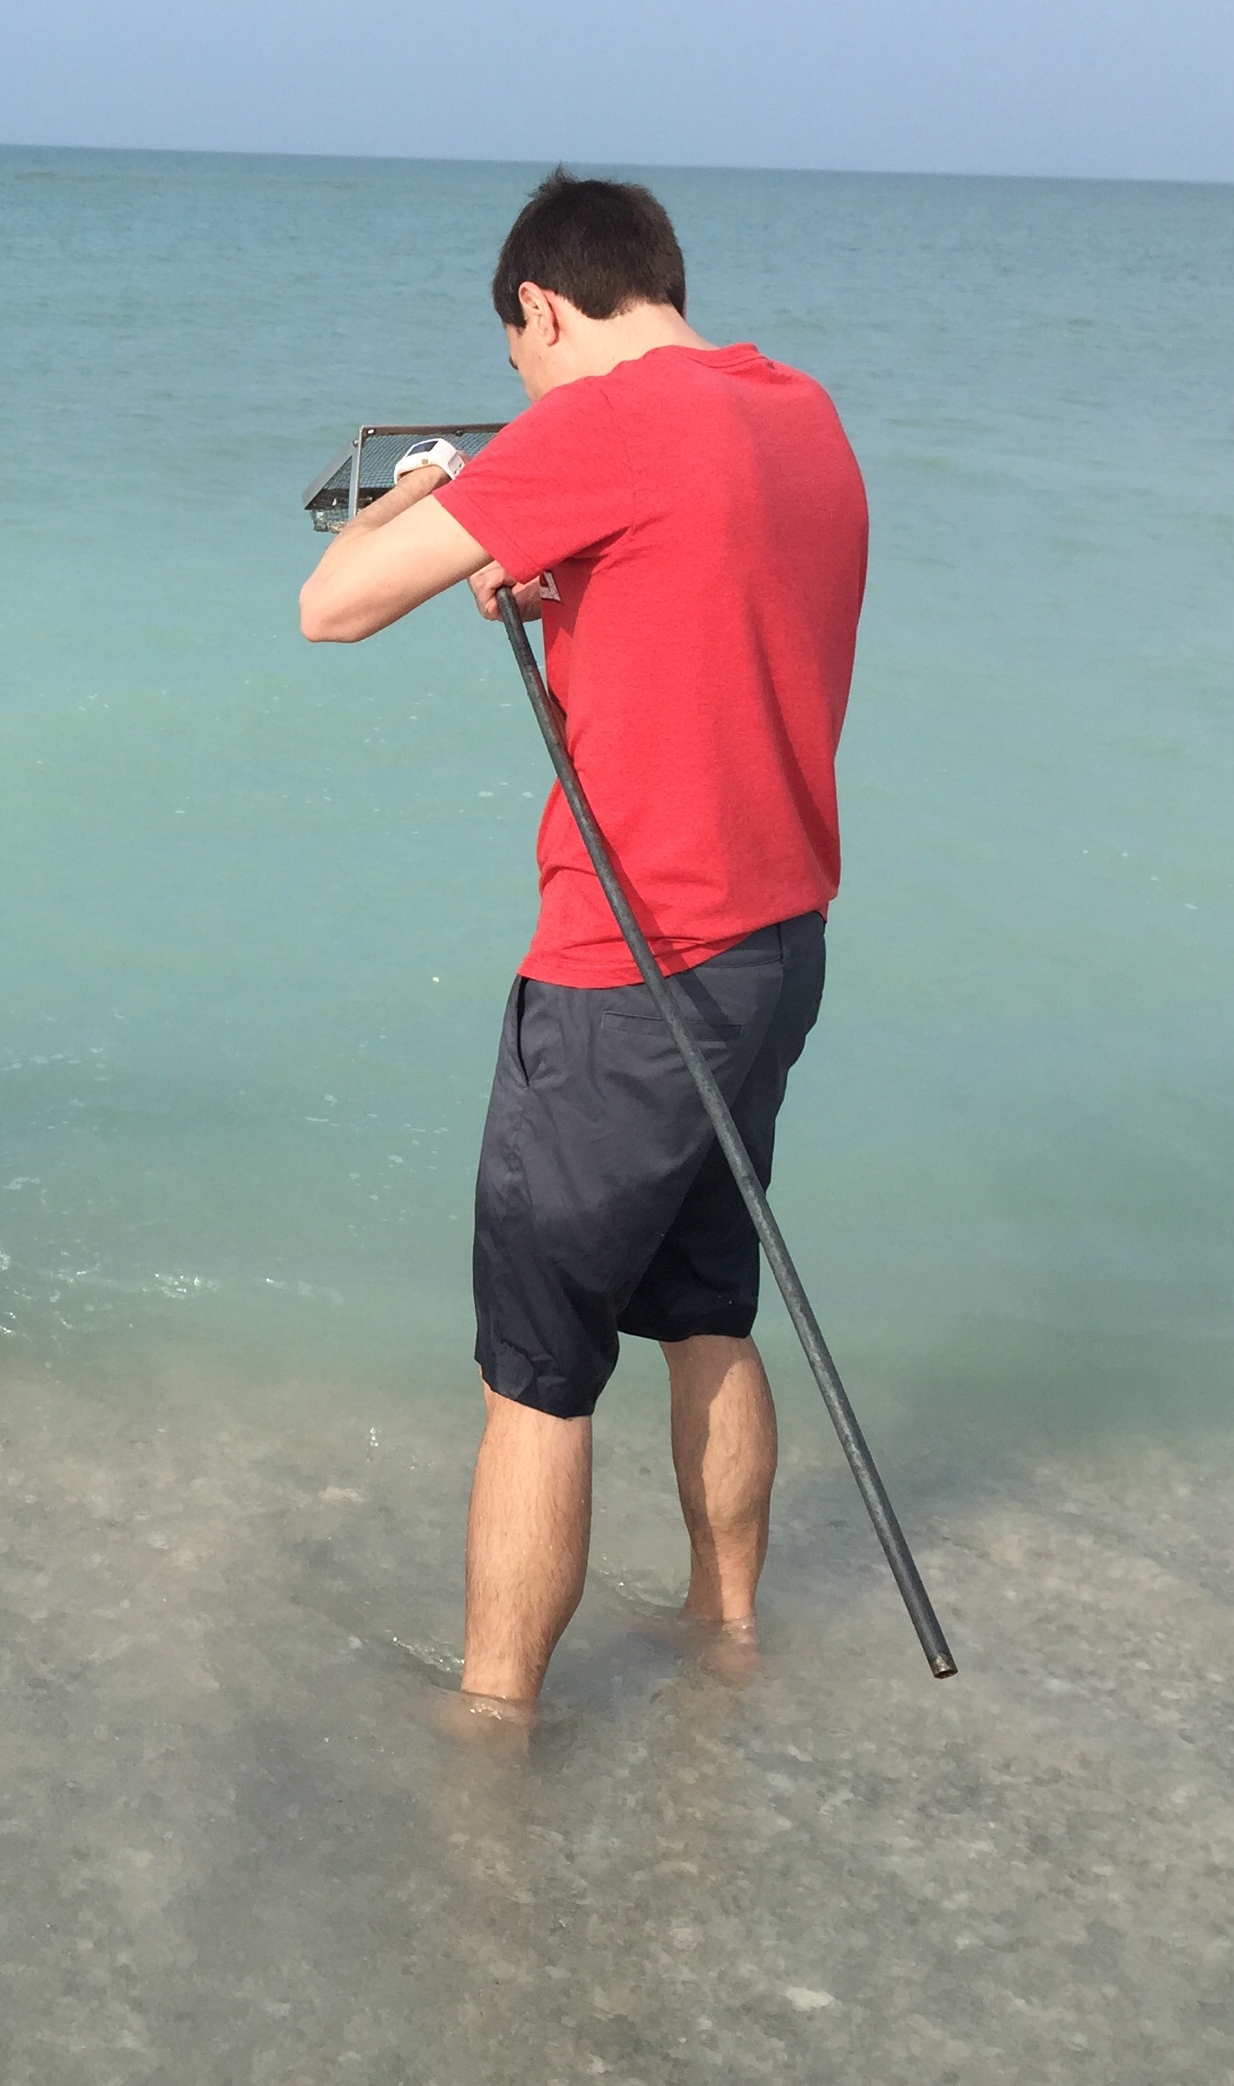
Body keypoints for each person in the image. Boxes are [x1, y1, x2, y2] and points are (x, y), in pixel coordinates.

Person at [296, 170, 869, 1720]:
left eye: (517, 364)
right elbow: (699, 596)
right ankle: (727, 1630)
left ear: (545, 309)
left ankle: (493, 1722)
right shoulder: (798, 413)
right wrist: (547, 579)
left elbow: (330, 605)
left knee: (538, 1372)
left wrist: (426, 487)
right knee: (705, 1304)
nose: (525, 392)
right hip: (772, 946)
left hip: (631, 974)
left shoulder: (597, 427)